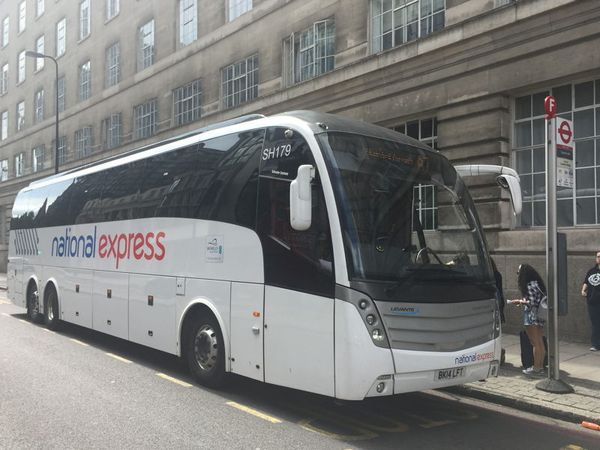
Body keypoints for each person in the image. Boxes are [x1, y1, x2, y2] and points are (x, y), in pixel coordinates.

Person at [510, 264, 547, 376]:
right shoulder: (538, 284)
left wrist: (519, 302)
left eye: (518, 273)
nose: (518, 275)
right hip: (540, 315)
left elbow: (530, 303)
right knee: (540, 342)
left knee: (535, 343)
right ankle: (539, 367)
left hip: (531, 316)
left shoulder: (529, 285)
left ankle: (535, 368)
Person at [580, 251, 600, 351]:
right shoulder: (591, 271)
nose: (599, 258)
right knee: (595, 323)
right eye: (598, 257)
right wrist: (583, 290)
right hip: (592, 301)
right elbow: (586, 281)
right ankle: (596, 344)